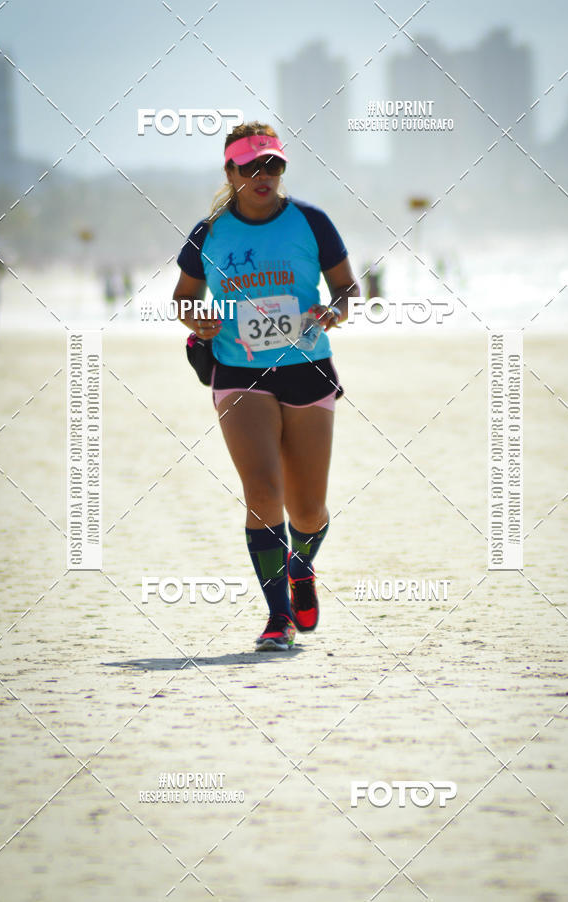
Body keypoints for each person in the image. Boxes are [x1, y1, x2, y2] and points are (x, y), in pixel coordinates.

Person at [173, 121, 358, 652]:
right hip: (238, 371)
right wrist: (197, 320)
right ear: (230, 171)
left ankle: (301, 566)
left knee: (308, 511)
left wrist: (334, 311)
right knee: (261, 494)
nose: (263, 174)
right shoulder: (209, 232)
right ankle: (278, 617)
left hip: (306, 366)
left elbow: (346, 288)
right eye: (251, 165)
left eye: (272, 164)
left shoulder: (311, 222)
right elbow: (183, 298)